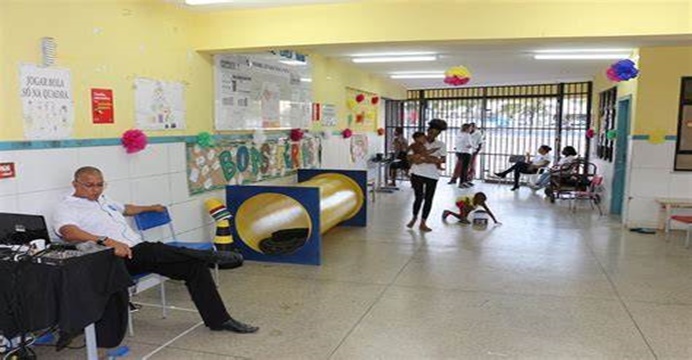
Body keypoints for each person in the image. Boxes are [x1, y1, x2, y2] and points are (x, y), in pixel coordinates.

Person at [52, 166, 259, 335]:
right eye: (89, 185)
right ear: (75, 184)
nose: (95, 190)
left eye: (99, 185)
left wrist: (151, 207)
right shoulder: (67, 207)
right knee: (153, 249)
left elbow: (127, 209)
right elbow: (67, 232)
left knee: (193, 267)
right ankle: (209, 256)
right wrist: (105, 240)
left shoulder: (103, 200)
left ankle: (220, 320)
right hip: (110, 260)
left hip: (136, 252)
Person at [406, 119, 447, 232]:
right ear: (427, 131)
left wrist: (424, 159)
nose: (432, 135)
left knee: (429, 199)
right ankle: (414, 218)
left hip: (432, 175)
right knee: (418, 197)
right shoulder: (417, 143)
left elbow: (443, 159)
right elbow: (409, 157)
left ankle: (423, 222)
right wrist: (432, 159)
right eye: (431, 132)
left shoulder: (441, 144)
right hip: (417, 173)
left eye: (436, 134)